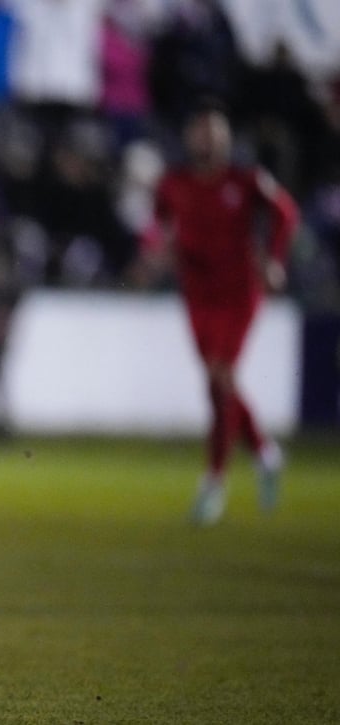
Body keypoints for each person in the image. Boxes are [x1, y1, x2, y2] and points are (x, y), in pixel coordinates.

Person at [136, 101, 298, 526]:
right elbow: (157, 226)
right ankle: (265, 453)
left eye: (215, 132)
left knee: (221, 376)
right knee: (216, 383)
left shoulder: (246, 180)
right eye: (202, 131)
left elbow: (285, 213)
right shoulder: (174, 184)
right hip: (197, 293)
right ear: (191, 137)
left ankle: (214, 481)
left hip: (240, 291)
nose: (208, 140)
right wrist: (153, 252)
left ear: (226, 138)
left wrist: (275, 258)